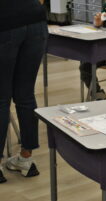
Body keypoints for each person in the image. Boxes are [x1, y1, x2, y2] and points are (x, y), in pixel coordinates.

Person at [0, 0, 48, 183]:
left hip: (5, 22)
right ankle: (26, 159)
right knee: (26, 95)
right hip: (36, 20)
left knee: (1, 99)